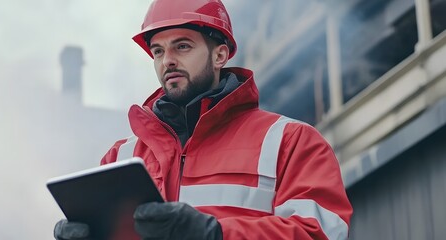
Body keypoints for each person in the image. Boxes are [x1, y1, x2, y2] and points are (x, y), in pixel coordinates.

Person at [54, 0, 353, 239]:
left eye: (182, 46)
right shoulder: (121, 157)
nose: (167, 60)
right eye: (158, 51)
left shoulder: (291, 141)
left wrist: (216, 235)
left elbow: (321, 235)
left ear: (220, 55)